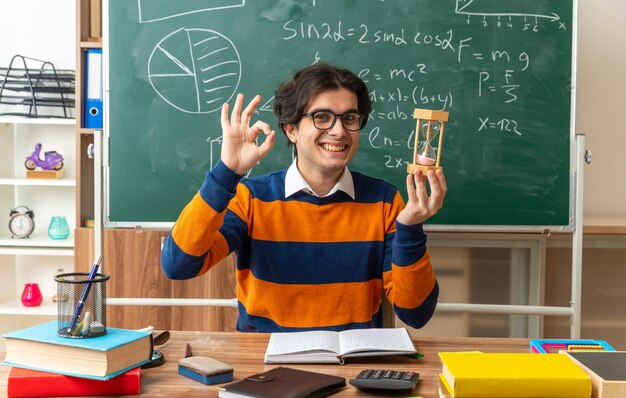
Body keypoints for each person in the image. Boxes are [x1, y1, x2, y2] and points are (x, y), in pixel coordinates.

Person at [161, 63, 447, 332]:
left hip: (354, 364)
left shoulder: (384, 201)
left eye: (350, 118)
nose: (339, 131)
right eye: (322, 117)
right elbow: (179, 266)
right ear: (291, 129)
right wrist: (227, 173)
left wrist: (410, 228)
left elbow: (416, 314)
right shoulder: (252, 199)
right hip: (267, 366)